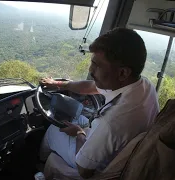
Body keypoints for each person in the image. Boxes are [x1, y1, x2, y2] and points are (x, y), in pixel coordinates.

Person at [39, 28, 160, 179]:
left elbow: (84, 169)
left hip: (97, 166)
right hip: (116, 149)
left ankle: (40, 163)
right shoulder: (143, 85)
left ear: (123, 73)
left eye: (97, 65)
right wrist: (59, 84)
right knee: (77, 119)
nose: (90, 70)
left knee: (54, 129)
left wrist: (79, 134)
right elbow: (91, 86)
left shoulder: (112, 121)